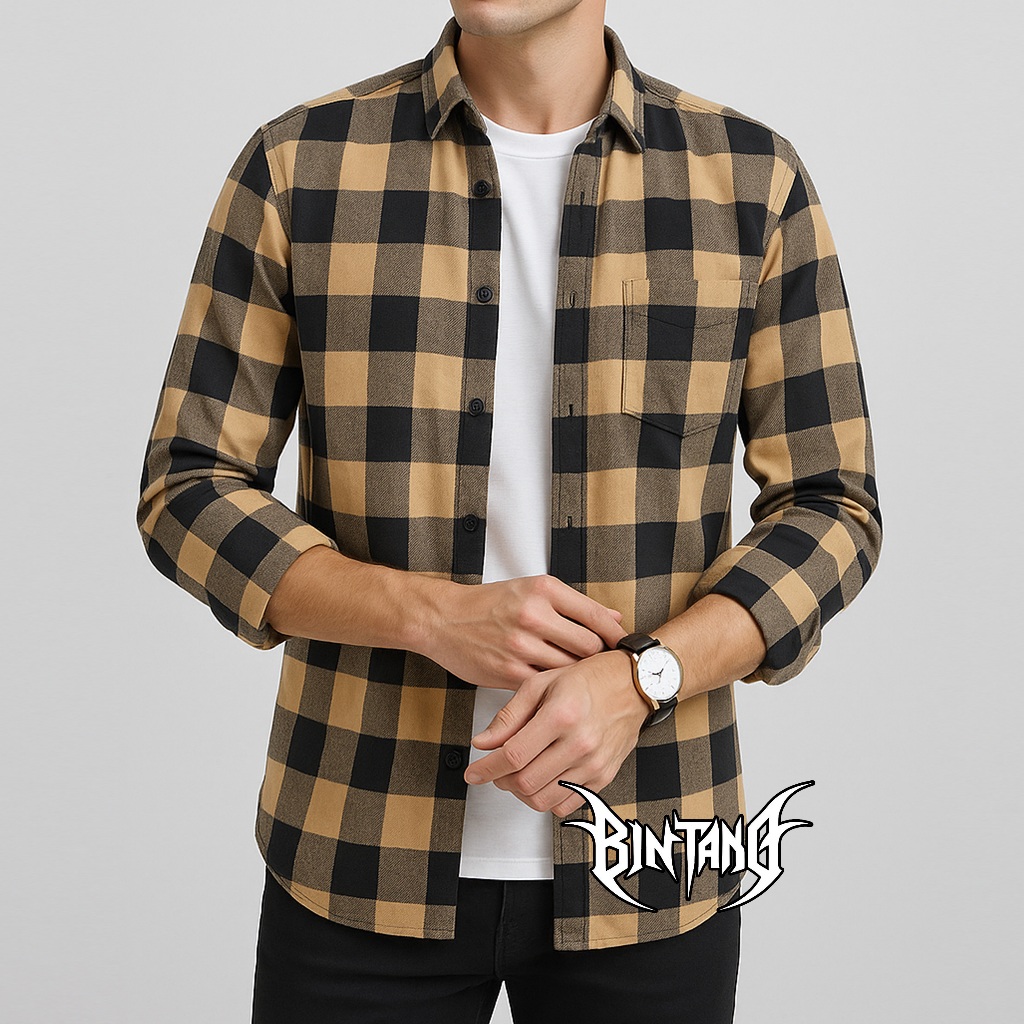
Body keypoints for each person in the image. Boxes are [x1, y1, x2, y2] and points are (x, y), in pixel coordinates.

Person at [136, 1, 882, 1021]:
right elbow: (188, 485)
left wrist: (645, 678)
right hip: (357, 844)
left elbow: (831, 504)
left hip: (649, 853)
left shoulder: (751, 181)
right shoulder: (302, 166)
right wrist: (427, 614)